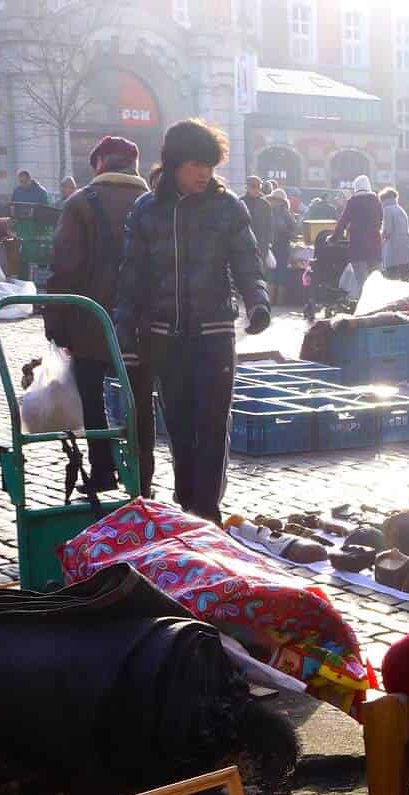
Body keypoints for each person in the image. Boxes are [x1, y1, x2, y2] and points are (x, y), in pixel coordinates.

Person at [113, 119, 270, 522]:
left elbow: (247, 263)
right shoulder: (147, 210)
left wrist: (258, 303)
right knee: (180, 425)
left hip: (214, 332)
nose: (204, 174)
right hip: (164, 336)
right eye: (196, 164)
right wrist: (124, 332)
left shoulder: (228, 207)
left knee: (213, 423)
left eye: (210, 166)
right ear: (174, 163)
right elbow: (131, 276)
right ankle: (187, 501)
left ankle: (207, 510)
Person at [45, 135, 148, 497]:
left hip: (91, 320)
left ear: (99, 164)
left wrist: (56, 324)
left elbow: (65, 269)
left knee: (91, 394)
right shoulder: (156, 203)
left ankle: (103, 468)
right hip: (144, 322)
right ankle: (142, 476)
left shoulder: (80, 203)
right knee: (140, 397)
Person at [339, 174, 383, 296]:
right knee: (376, 282)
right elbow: (381, 219)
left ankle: (363, 304)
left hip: (358, 247)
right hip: (374, 247)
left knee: (361, 282)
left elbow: (343, 221)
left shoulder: (352, 202)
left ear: (356, 187)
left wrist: (333, 238)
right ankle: (377, 304)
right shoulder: (376, 201)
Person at [379, 186, 409, 280]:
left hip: (394, 249)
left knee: (392, 279)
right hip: (406, 247)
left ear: (383, 200)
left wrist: (380, 238)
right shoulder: (400, 209)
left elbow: (388, 231)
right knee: (405, 278)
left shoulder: (387, 209)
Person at [241, 175, 271, 248]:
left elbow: (269, 225)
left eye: (259, 186)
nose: (257, 189)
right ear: (247, 187)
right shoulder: (240, 202)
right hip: (244, 244)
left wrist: (268, 243)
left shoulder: (265, 204)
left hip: (261, 244)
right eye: (253, 186)